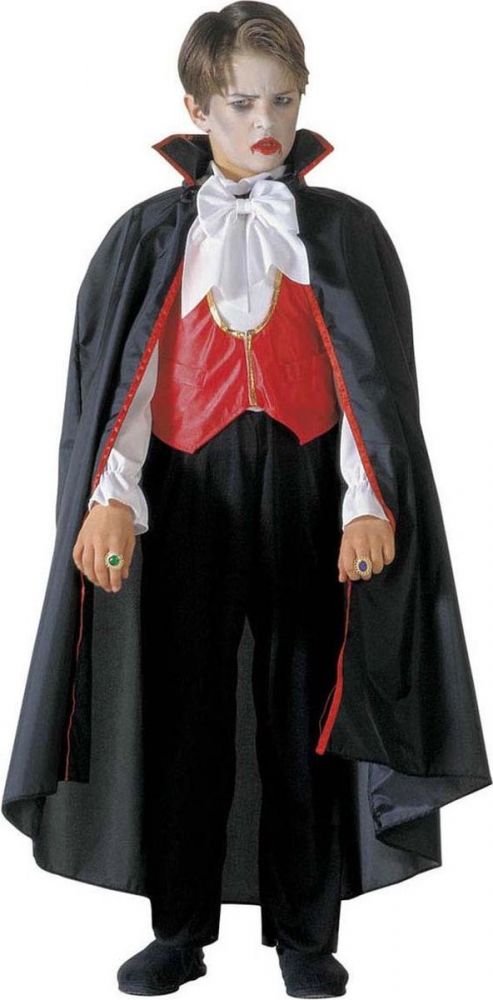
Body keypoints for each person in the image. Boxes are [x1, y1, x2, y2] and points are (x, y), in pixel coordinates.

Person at [3, 4, 491, 999]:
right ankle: (178, 929)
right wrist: (110, 498)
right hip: (186, 498)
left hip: (309, 499)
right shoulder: (147, 236)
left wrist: (366, 503)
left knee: (305, 717)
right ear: (196, 106)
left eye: (282, 100)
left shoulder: (344, 233)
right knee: (183, 718)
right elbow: (124, 386)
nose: (263, 121)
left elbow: (371, 389)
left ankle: (304, 934)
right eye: (239, 103)